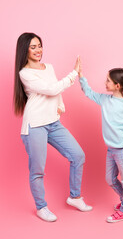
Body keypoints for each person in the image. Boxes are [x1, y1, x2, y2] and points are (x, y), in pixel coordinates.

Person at [13, 32, 92, 222]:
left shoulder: (48, 67)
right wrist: (74, 73)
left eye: (39, 45)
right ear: (25, 49)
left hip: (53, 123)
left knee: (78, 155)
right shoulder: (25, 73)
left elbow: (56, 90)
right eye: (33, 47)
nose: (38, 50)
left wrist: (61, 107)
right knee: (38, 170)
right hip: (35, 126)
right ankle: (41, 207)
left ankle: (75, 197)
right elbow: (51, 89)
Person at [78, 63, 123, 223]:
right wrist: (80, 76)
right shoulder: (105, 99)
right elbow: (88, 92)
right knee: (110, 179)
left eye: (108, 80)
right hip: (111, 150)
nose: (105, 83)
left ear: (117, 85)